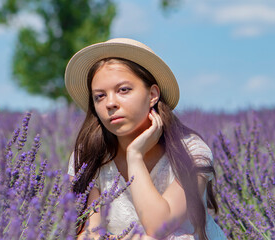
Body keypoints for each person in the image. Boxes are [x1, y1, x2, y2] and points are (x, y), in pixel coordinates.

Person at [65, 38, 227, 240]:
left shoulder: (191, 151)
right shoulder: (89, 155)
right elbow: (89, 231)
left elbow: (159, 227)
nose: (110, 103)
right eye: (100, 96)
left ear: (152, 94)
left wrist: (134, 156)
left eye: (123, 90)